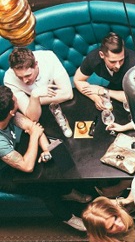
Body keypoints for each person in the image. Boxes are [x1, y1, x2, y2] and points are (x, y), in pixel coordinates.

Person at [0, 86, 88, 231]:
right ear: (10, 110)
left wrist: (48, 149)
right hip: (3, 173)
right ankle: (68, 218)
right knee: (44, 187)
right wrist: (34, 136)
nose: (16, 99)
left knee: (56, 160)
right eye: (14, 100)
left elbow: (33, 126)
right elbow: (27, 166)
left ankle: (67, 192)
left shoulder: (8, 114)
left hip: (13, 153)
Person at [3, 47, 73, 122]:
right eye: (19, 77)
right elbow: (33, 118)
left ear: (36, 65)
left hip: (63, 104)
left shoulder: (49, 57)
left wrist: (35, 101)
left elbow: (68, 94)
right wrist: (34, 95)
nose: (24, 81)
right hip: (41, 113)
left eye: (28, 75)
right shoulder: (9, 79)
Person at [73, 32, 135, 110]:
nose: (118, 65)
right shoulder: (93, 58)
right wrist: (95, 97)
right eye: (112, 62)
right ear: (102, 55)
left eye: (121, 60)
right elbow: (78, 80)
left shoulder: (133, 64)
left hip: (133, 92)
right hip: (114, 87)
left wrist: (103, 91)